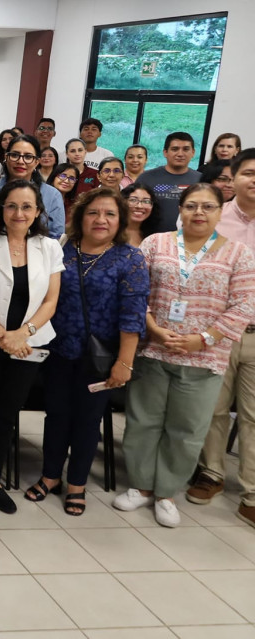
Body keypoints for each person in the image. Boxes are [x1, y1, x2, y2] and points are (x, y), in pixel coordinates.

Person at [113, 184, 255, 526]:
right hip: (153, 349)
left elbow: (244, 304)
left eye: (207, 207)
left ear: (220, 212)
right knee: (143, 422)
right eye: (191, 206)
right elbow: (135, 291)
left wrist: (203, 339)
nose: (199, 213)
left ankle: (166, 492)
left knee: (187, 429)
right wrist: (153, 328)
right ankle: (141, 486)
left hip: (205, 357)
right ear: (180, 210)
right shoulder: (155, 243)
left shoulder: (239, 253)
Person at [26, 190, 148, 516]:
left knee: (87, 421)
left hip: (100, 358)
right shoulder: (62, 249)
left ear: (120, 220)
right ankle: (50, 475)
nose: (100, 220)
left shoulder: (130, 258)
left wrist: (124, 363)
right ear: (81, 216)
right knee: (56, 416)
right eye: (93, 212)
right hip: (57, 351)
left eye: (109, 214)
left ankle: (77, 484)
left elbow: (133, 316)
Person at [0, 180, 63, 513]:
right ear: (1, 208)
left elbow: (51, 301)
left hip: (28, 346)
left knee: (6, 415)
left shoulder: (49, 247)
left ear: (38, 211)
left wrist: (23, 333)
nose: (19, 213)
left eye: (27, 206)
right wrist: (3, 336)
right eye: (12, 206)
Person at [188, 149, 255, 527]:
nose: (254, 180)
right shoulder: (213, 217)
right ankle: (211, 472)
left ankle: (252, 491)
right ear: (234, 177)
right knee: (213, 407)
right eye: (249, 172)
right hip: (216, 332)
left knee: (253, 415)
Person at [0, 134, 66, 241]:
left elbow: (56, 236)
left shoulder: (52, 195)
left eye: (28, 157)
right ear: (6, 157)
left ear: (37, 162)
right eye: (14, 155)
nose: (20, 161)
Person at [136, 132, 202, 233]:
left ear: (193, 152)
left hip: (190, 238)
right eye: (175, 149)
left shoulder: (202, 180)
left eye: (186, 149)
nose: (180, 154)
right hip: (150, 238)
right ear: (165, 152)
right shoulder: (146, 178)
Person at [121, 183, 161, 248]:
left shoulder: (156, 236)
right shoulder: (112, 231)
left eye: (146, 201)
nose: (139, 206)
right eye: (133, 200)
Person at [47, 163, 80, 234]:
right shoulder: (43, 198)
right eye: (63, 176)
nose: (66, 181)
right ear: (53, 177)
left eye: (72, 178)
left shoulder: (75, 204)